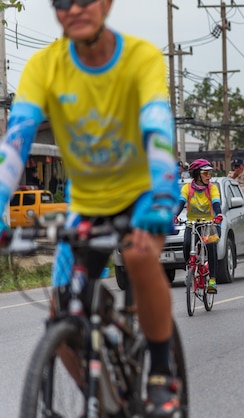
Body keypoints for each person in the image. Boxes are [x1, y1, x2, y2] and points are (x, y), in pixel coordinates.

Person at [0, 1, 181, 416]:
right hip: (87, 205)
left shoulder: (140, 57)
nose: (75, 8)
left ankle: (159, 372)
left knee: (139, 255)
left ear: (106, 4)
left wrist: (161, 192)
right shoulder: (45, 66)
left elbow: (157, 125)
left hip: (143, 197)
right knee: (62, 313)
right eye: (63, 1)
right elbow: (17, 138)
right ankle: (104, 401)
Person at [175, 159, 222, 293]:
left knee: (211, 247)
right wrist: (174, 215)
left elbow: (216, 203)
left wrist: (219, 215)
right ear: (196, 175)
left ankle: (212, 280)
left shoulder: (212, 188)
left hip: (209, 224)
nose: (209, 176)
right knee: (187, 244)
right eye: (205, 173)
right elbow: (180, 202)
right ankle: (189, 270)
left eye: (209, 173)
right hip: (193, 223)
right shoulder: (187, 188)